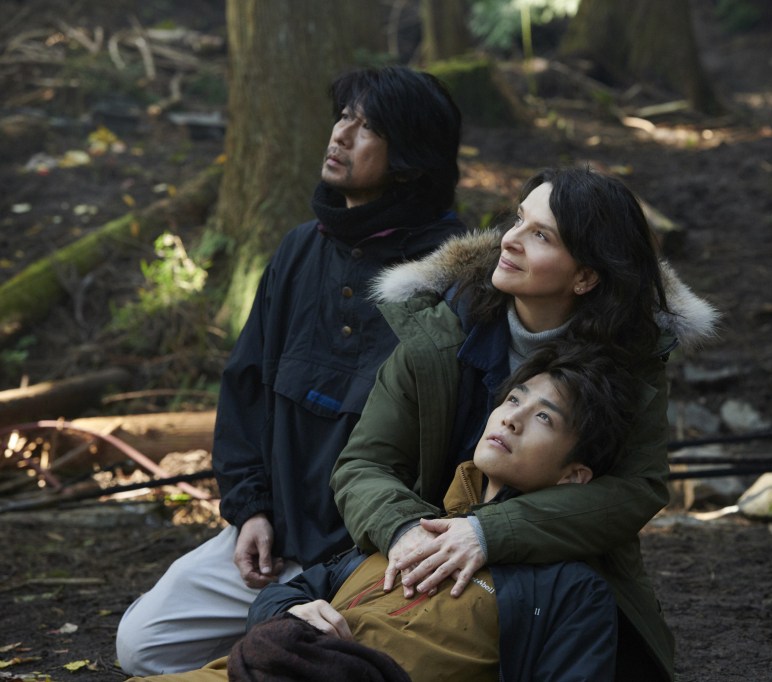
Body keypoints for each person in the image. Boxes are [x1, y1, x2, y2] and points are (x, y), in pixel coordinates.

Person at [116, 65, 467, 676]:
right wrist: (250, 510)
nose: (340, 135)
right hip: (274, 540)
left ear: (409, 158)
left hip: (375, 550)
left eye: (366, 128)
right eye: (343, 117)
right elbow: (245, 389)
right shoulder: (300, 248)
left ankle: (275, 644)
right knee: (141, 644)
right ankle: (271, 635)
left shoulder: (451, 275)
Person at [331, 166, 719, 680]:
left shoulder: (633, 358)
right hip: (418, 562)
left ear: (586, 275)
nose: (509, 241)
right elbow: (364, 463)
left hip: (563, 582)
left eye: (540, 235)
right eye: (518, 220)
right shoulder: (439, 332)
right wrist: (405, 531)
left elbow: (636, 489)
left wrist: (487, 531)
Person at [127, 341, 642, 682]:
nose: (511, 420)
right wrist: (288, 612)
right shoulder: (411, 524)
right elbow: (290, 594)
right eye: (512, 400)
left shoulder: (570, 588)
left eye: (543, 418)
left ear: (574, 476)